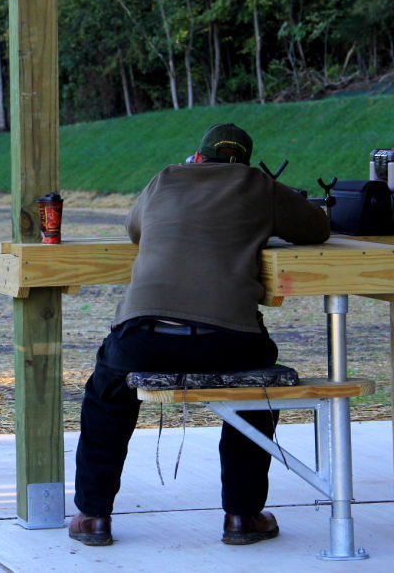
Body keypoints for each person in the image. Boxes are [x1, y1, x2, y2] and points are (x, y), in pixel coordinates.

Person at [69, 123, 330, 547]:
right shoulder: (258, 184)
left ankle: (93, 516)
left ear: (198, 157)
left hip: (144, 336)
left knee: (107, 396)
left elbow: (134, 230)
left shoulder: (165, 178)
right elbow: (316, 228)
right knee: (254, 390)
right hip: (228, 338)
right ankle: (242, 516)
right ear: (243, 161)